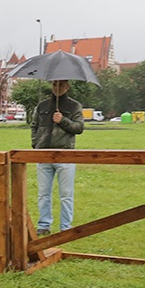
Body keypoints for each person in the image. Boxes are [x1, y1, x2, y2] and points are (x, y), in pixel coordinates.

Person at [31, 79, 84, 235]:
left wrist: (63, 121)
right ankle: (44, 225)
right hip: (43, 154)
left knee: (66, 194)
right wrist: (35, 143)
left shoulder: (74, 106)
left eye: (60, 85)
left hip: (65, 154)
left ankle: (65, 227)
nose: (57, 87)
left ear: (67, 87)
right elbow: (34, 125)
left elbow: (79, 127)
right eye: (54, 84)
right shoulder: (42, 106)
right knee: (43, 193)